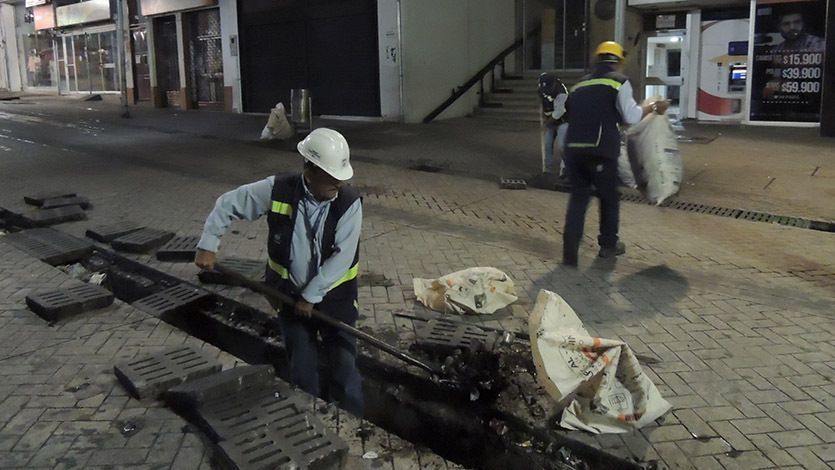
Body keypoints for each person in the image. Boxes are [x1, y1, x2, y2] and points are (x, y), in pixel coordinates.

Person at [195, 128, 364, 416]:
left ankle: (353, 418)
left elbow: (342, 258)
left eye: (341, 174)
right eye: (331, 174)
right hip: (288, 297)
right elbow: (228, 203)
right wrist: (208, 244)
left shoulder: (349, 203)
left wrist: (310, 297)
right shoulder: (278, 190)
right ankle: (307, 419)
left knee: (345, 367)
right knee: (302, 366)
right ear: (309, 169)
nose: (339, 181)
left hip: (336, 302)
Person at [561, 41, 668, 267]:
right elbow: (631, 116)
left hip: (572, 150)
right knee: (609, 198)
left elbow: (571, 113)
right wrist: (653, 107)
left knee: (579, 198)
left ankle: (569, 253)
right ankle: (608, 246)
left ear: (597, 60)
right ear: (618, 62)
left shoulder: (579, 84)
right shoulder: (618, 81)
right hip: (600, 151)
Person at [538, 72, 569, 177]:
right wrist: (543, 115)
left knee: (562, 145)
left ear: (554, 84)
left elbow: (559, 112)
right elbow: (541, 101)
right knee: (547, 143)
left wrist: (546, 124)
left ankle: (565, 169)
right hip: (551, 120)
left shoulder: (561, 93)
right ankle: (547, 170)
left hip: (564, 121)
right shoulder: (542, 87)